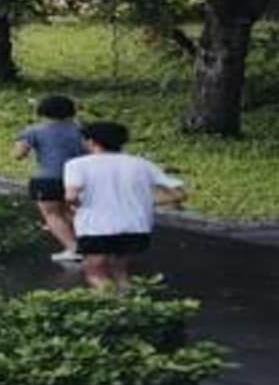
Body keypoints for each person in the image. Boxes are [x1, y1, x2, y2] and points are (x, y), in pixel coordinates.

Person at [60, 120, 187, 292]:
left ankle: (114, 308)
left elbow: (71, 196)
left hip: (96, 227)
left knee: (95, 274)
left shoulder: (76, 164)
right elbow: (179, 194)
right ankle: (128, 302)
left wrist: (75, 207)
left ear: (90, 141)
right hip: (136, 228)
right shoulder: (141, 164)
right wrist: (146, 201)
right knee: (120, 272)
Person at [9, 94, 88, 262]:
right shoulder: (81, 130)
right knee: (70, 212)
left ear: (42, 111)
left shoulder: (34, 131)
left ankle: (73, 248)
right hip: (77, 178)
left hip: (46, 179)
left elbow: (18, 154)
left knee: (52, 214)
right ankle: (86, 245)